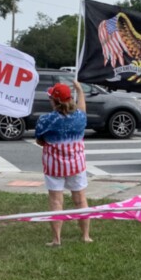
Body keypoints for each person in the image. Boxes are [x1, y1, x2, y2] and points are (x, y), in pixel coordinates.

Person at [35, 80, 91, 246]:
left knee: (56, 201)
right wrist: (80, 90)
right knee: (80, 199)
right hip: (76, 165)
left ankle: (56, 239)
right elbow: (82, 108)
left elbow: (40, 141)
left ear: (55, 101)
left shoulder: (46, 120)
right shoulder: (80, 118)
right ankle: (86, 236)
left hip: (54, 167)